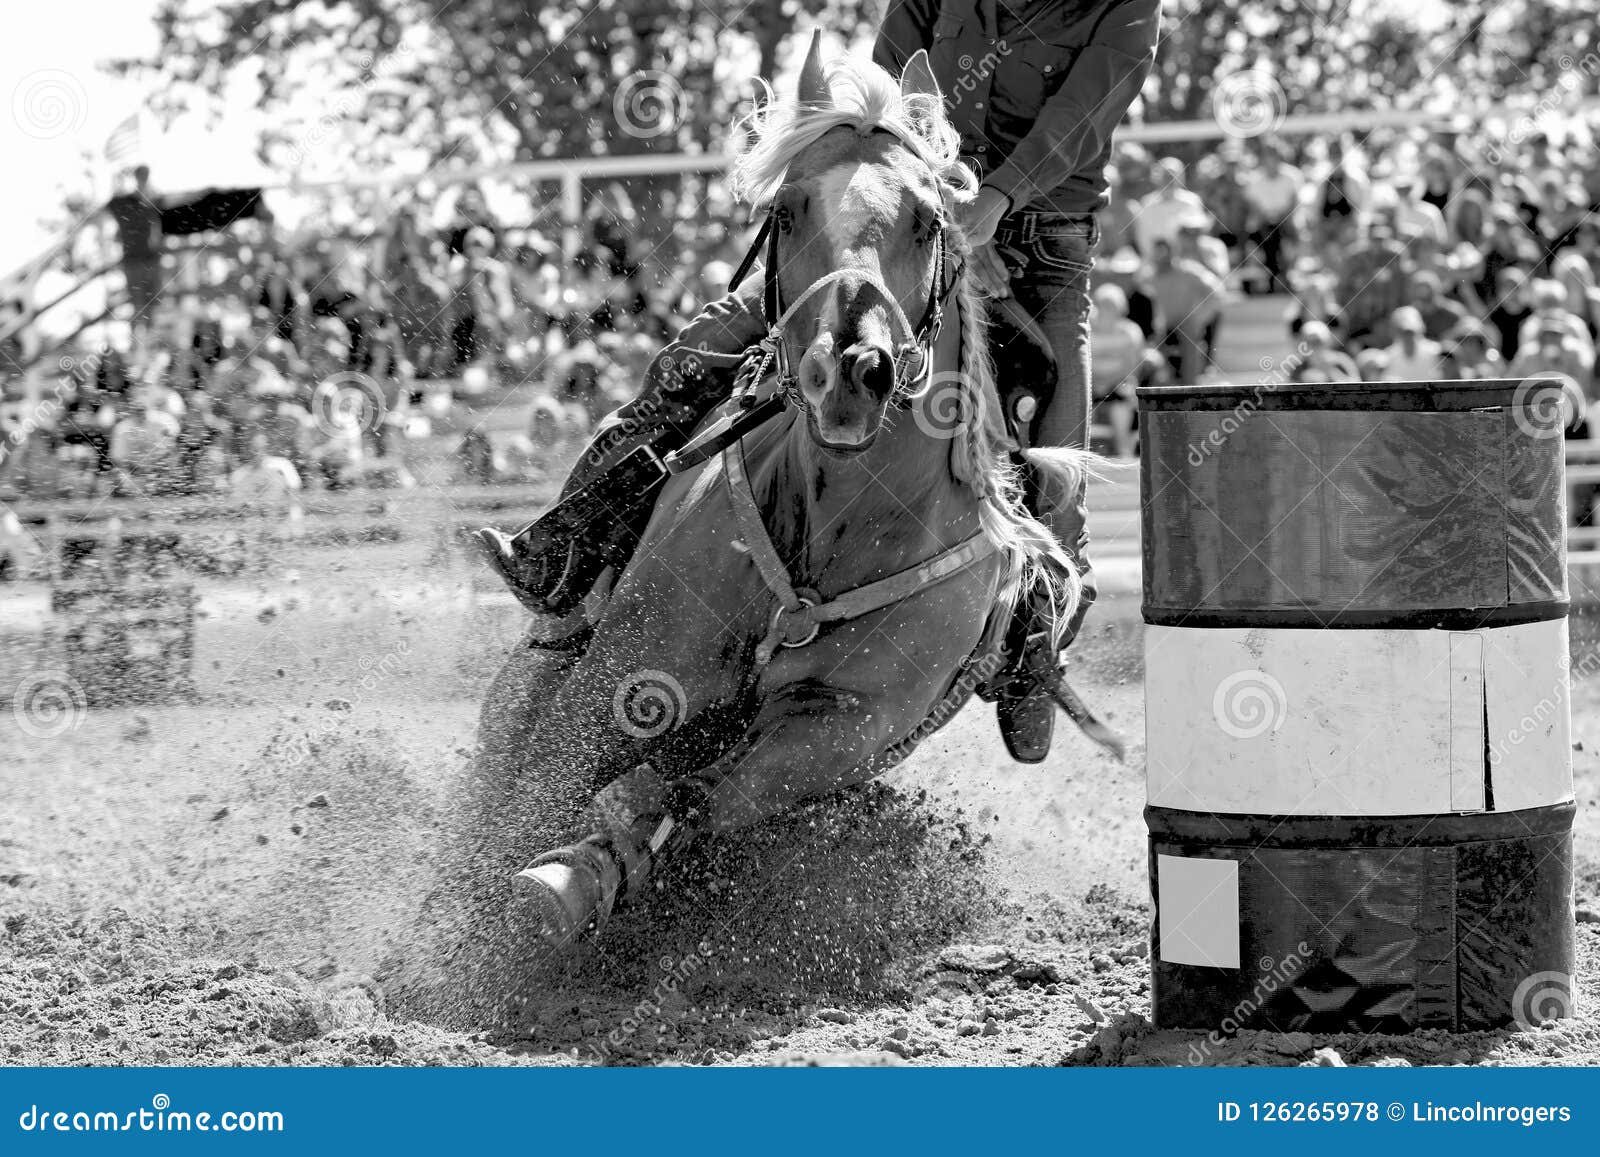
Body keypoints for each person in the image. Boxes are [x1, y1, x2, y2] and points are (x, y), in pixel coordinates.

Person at [482, 7, 1162, 764]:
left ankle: (1032, 649)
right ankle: (575, 538)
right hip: (893, 219)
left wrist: (995, 203)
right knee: (694, 357)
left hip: (1044, 246)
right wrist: (925, 213)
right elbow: (882, 104)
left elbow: (1083, 112)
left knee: (1057, 469)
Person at [1383, 306, 1443, 380]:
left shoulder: (1436, 352)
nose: (1408, 336)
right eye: (1403, 332)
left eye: (1411, 332)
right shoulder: (1387, 357)